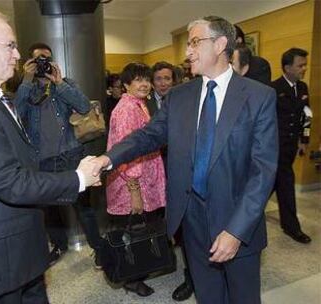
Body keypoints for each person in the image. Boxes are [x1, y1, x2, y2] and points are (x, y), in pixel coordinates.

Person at [91, 16, 278, 304]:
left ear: (220, 44)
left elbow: (262, 172)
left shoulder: (258, 96)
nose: (187, 51)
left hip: (237, 220)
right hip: (191, 219)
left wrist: (236, 231)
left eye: (194, 42)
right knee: (208, 295)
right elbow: (147, 136)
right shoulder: (179, 96)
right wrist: (108, 158)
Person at [0, 7, 100, 303]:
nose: (16, 55)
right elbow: (10, 183)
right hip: (1, 258)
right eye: (10, 45)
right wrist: (78, 178)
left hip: (17, 250)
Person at [14, 42, 103, 266]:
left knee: (84, 208)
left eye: (46, 59)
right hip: (42, 159)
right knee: (49, 210)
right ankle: (59, 245)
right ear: (29, 63)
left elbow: (84, 107)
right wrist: (26, 80)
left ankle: (99, 249)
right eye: (38, 60)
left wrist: (60, 83)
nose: (43, 64)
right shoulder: (27, 89)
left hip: (70, 154)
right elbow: (16, 114)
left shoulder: (64, 84)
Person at [106, 62, 166, 297]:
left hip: (145, 178)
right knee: (134, 232)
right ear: (126, 84)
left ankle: (139, 270)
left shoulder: (139, 104)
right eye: (137, 80)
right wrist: (134, 191)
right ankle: (131, 277)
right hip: (131, 183)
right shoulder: (126, 109)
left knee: (141, 229)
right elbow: (125, 151)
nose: (144, 84)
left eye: (146, 79)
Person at [148, 60, 194, 301]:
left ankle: (191, 277)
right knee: (161, 223)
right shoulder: (143, 104)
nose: (163, 83)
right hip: (154, 175)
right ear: (152, 82)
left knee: (187, 228)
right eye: (158, 79)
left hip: (181, 173)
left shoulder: (184, 100)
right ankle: (161, 261)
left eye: (167, 78)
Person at [271, 48, 312, 244]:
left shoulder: (303, 88)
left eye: (305, 65)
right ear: (287, 67)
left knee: (278, 185)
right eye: (300, 65)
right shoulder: (273, 88)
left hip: (289, 149)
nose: (304, 68)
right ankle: (291, 228)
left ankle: (290, 226)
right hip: (273, 148)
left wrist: (304, 141)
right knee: (280, 185)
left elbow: (307, 116)